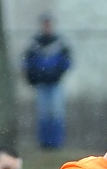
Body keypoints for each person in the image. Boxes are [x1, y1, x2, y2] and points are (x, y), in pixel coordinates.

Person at [23, 13, 71, 149]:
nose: (47, 26)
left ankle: (56, 144)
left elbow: (67, 63)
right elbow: (28, 64)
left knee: (56, 114)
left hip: (55, 84)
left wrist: (56, 74)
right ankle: (44, 144)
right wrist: (34, 78)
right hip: (41, 84)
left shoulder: (60, 43)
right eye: (45, 24)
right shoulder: (34, 44)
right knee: (43, 114)